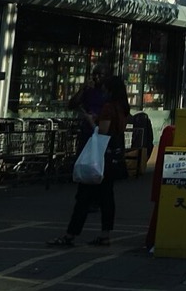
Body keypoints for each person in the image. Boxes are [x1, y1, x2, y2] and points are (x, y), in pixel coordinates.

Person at [49, 73, 130, 247]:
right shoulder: (122, 107)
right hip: (113, 158)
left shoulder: (109, 108)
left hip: (99, 158)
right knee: (107, 197)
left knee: (83, 197)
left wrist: (91, 120)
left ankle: (70, 234)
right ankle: (105, 234)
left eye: (105, 89)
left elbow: (101, 132)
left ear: (110, 90)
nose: (103, 92)